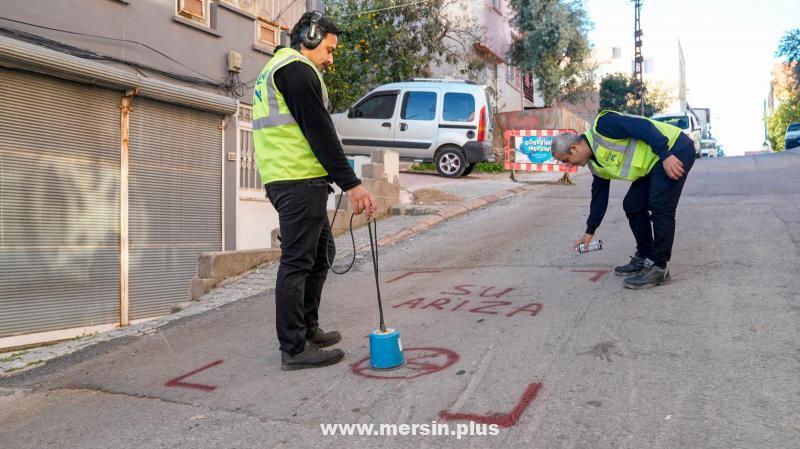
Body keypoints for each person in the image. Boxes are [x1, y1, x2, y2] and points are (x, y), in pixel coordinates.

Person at [252, 11, 376, 370]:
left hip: (294, 179)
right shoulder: (296, 71)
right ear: (309, 37)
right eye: (329, 49)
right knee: (298, 261)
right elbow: (320, 132)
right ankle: (293, 347)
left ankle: (307, 328)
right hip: (296, 180)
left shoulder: (278, 70)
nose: (331, 59)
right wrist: (352, 184)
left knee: (322, 252)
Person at [550, 110, 695, 289]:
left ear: (574, 148)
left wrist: (665, 155)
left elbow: (644, 126)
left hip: (673, 149)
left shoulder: (603, 125)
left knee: (661, 207)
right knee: (632, 205)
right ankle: (644, 256)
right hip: (652, 163)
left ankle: (659, 267)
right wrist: (590, 231)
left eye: (566, 160)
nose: (568, 166)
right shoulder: (594, 163)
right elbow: (599, 196)